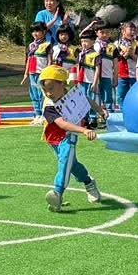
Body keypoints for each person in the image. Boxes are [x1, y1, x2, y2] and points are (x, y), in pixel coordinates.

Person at [37, 65, 106, 213]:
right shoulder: (49, 105)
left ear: (63, 84)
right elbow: (62, 124)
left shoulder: (71, 94)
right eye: (44, 90)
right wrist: (84, 130)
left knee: (65, 162)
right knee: (72, 164)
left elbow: (87, 100)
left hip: (68, 136)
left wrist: (100, 111)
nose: (48, 93)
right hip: (54, 138)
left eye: (51, 89)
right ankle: (88, 182)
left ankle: (57, 193)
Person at [22, 22, 51, 125]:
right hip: (32, 73)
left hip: (41, 73)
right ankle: (37, 114)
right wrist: (26, 74)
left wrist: (47, 73)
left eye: (38, 31)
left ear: (44, 32)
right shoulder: (31, 45)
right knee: (33, 94)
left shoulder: (47, 45)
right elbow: (29, 60)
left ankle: (43, 115)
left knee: (41, 94)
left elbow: (49, 60)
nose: (35, 33)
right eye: (33, 31)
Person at [114, 23, 138, 107]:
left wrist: (131, 54)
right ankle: (121, 110)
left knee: (134, 94)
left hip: (133, 74)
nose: (133, 32)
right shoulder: (117, 44)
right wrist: (124, 53)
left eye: (134, 30)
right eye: (130, 30)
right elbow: (116, 58)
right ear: (123, 31)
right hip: (121, 74)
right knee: (121, 95)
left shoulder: (136, 44)